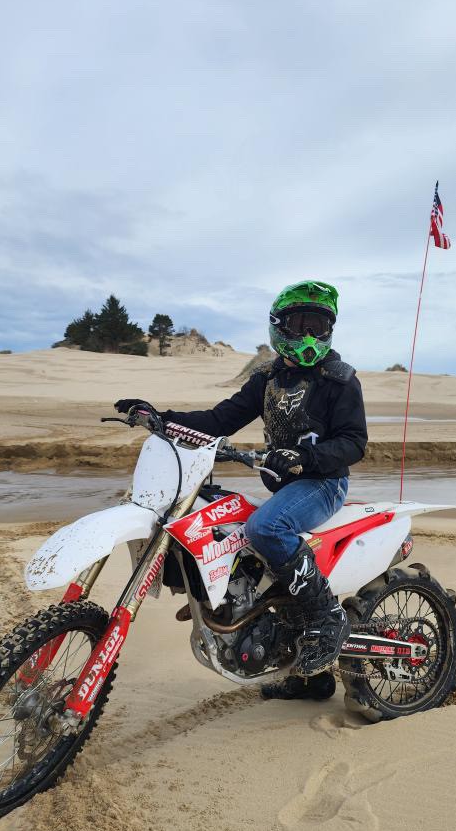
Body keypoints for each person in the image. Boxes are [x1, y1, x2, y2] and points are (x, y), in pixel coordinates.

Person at [117, 280, 368, 700]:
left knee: (265, 529)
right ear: (279, 327)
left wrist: (305, 458)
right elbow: (220, 420)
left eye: (318, 325)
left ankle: (327, 617)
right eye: (300, 324)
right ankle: (303, 669)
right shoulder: (268, 379)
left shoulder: (339, 380)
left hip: (324, 482)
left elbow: (354, 442)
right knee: (225, 529)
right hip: (286, 485)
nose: (309, 335)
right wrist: (160, 417)